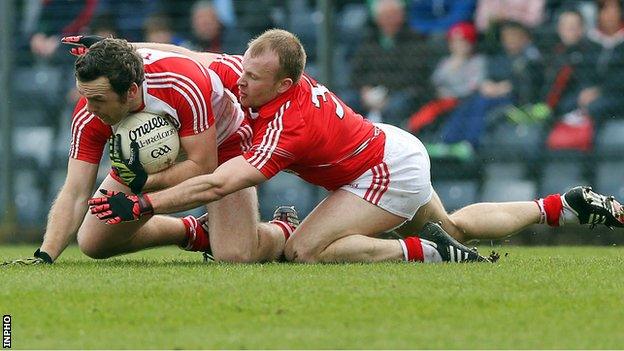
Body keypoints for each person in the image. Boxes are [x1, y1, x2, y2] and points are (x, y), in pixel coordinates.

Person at [88, 29, 624, 265]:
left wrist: (145, 203)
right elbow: (194, 56)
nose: (240, 82)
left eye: (253, 79)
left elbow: (222, 180)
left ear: (282, 84)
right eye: (243, 71)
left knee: (304, 251)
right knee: (457, 224)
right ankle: (562, 206)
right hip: (389, 149)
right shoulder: (263, 76)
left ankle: (426, 252)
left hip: (382, 172)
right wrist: (126, 49)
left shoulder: (287, 124)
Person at [3, 37, 289, 265]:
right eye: (84, 96)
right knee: (93, 241)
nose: (89, 108)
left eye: (98, 99)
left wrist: (144, 185)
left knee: (236, 255)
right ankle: (195, 233)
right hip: (151, 161)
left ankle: (283, 231)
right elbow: (75, 191)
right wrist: (45, 255)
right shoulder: (90, 111)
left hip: (220, 145)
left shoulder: (181, 83)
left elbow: (202, 164)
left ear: (130, 91)